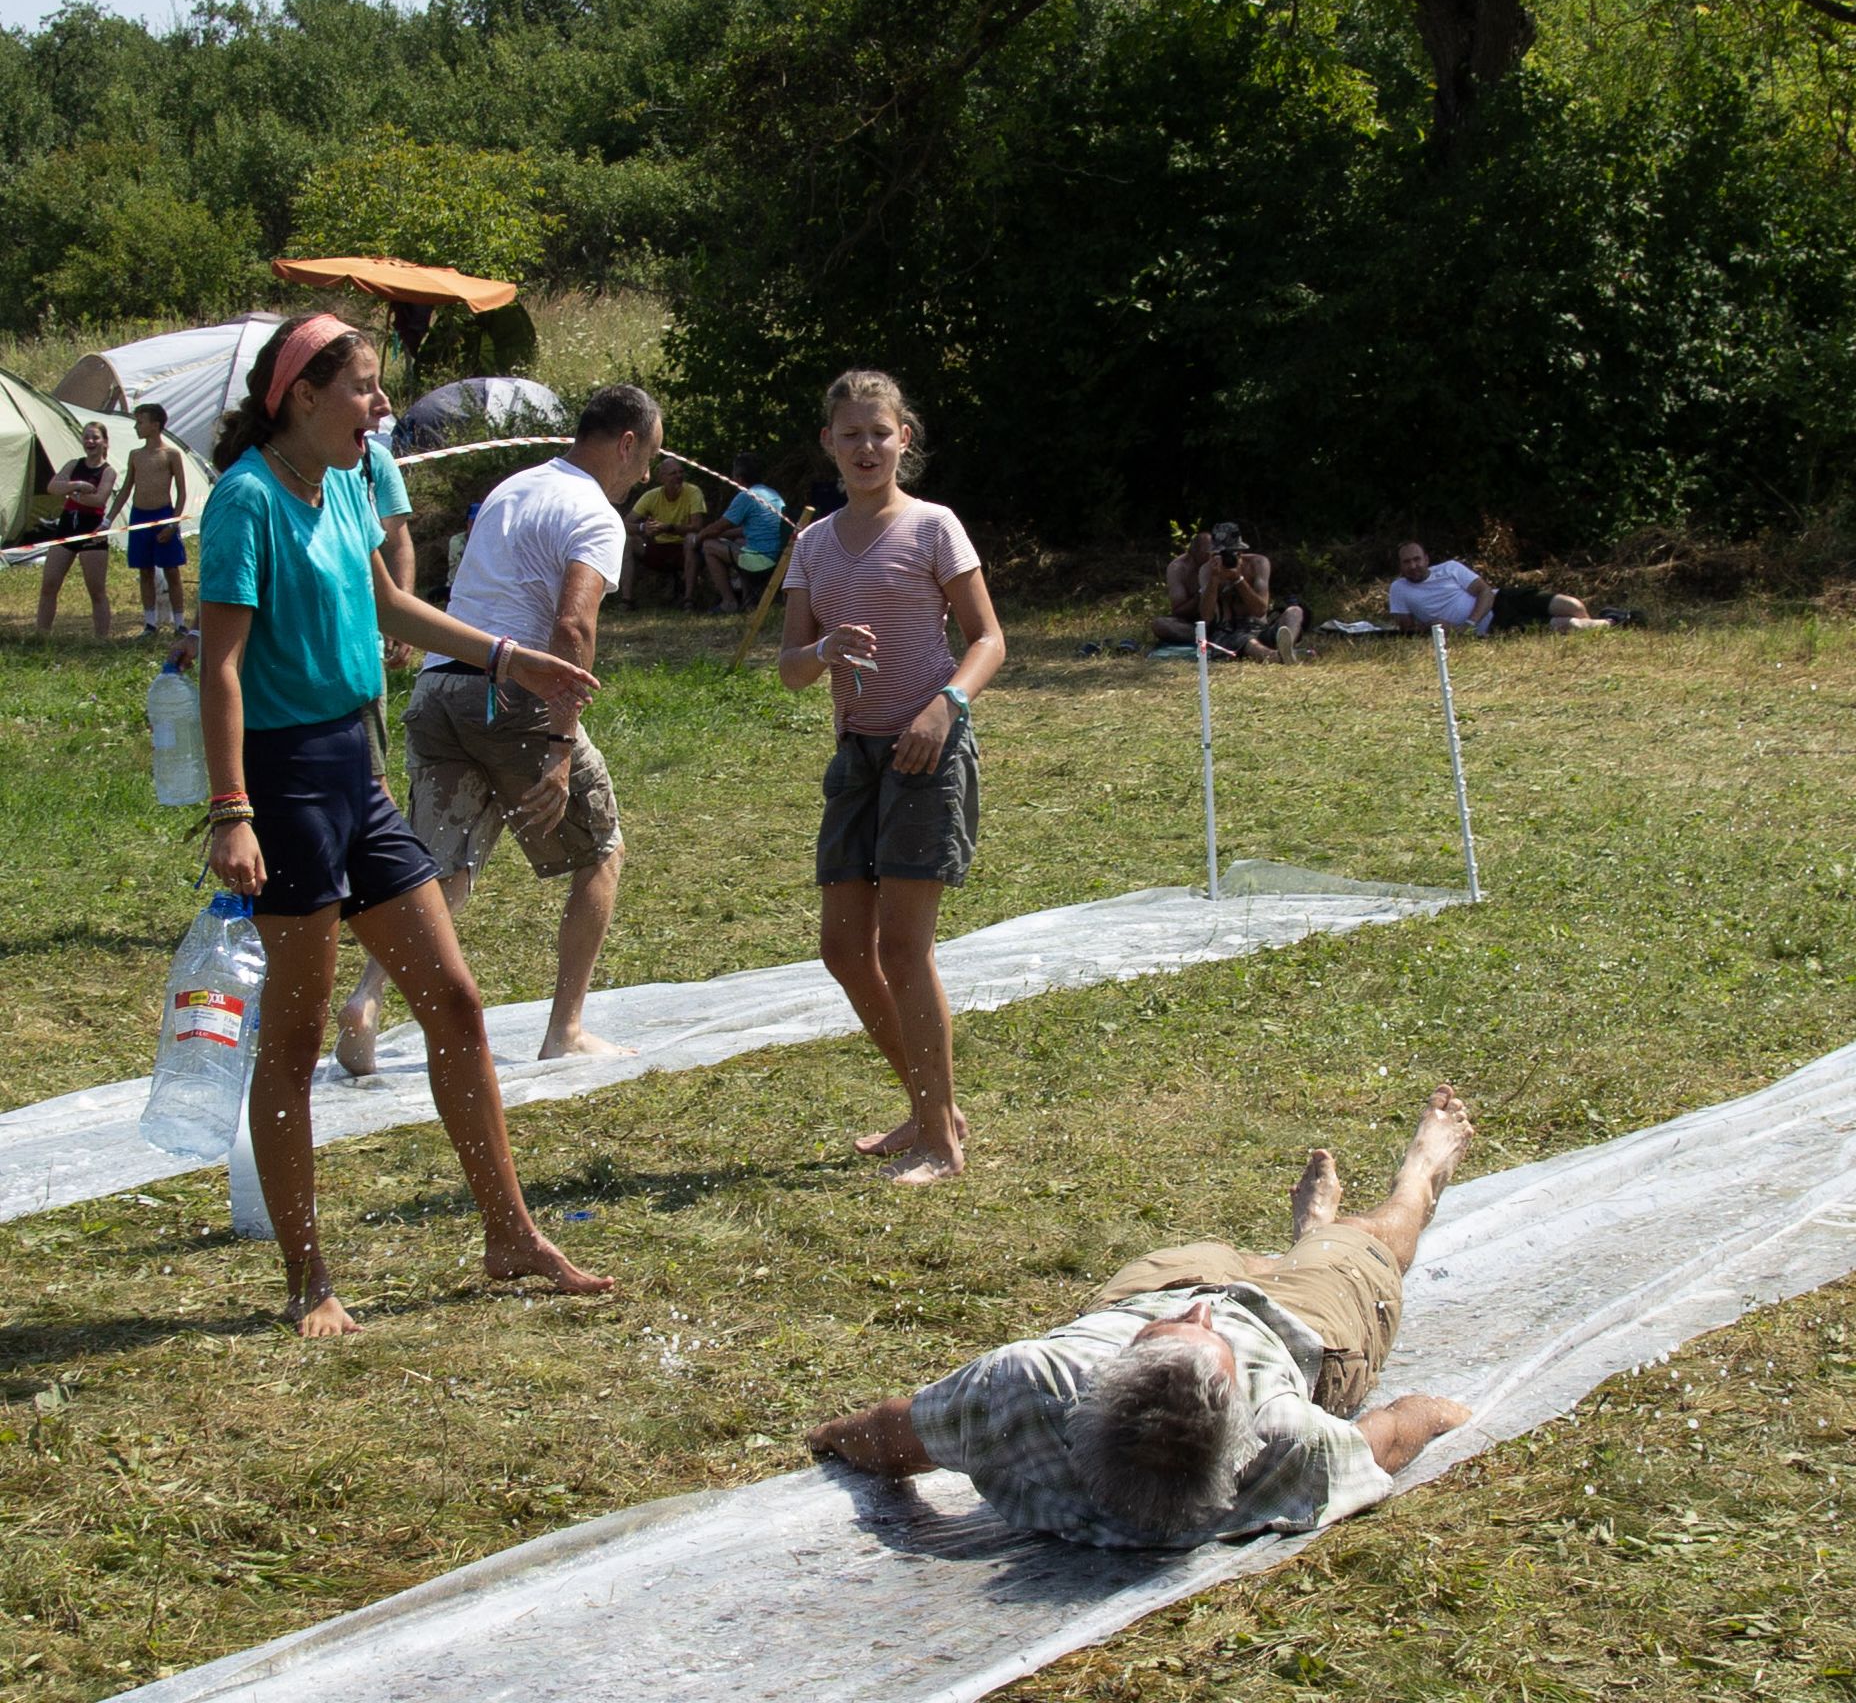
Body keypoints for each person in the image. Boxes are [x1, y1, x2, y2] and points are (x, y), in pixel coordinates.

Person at [192, 311, 611, 1337]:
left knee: (456, 1003)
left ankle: (510, 1232)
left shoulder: (338, 481)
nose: (382, 408)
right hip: (284, 786)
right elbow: (222, 666)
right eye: (366, 389)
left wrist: (507, 658)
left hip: (356, 768)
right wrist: (232, 809)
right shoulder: (246, 501)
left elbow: (386, 602)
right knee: (292, 1040)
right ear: (300, 396)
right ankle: (307, 1277)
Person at [807, 1085, 1481, 1548]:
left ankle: (1308, 1236)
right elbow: (1387, 1439)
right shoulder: (1287, 1439)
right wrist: (1444, 1414)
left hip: (1145, 1292)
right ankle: (1413, 1177)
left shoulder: (1028, 1385)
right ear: (1245, 1428)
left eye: (1173, 1333)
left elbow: (890, 1436)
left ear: (1098, 1381)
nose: (1203, 1313)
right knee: (1369, 1247)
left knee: (1248, 1259)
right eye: (1208, 1335)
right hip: (1300, 1334)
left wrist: (828, 1437)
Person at [333, 385, 663, 1078]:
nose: (645, 479)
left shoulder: (515, 486)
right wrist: (560, 747)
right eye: (647, 460)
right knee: (602, 849)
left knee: (436, 867)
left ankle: (365, 999)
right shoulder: (595, 513)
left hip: (439, 686)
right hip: (513, 695)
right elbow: (573, 627)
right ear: (627, 442)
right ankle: (566, 1029)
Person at [777, 369, 1008, 1183]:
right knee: (845, 950)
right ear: (829, 444)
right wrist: (820, 651)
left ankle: (943, 1143)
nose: (867, 447)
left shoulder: (934, 527)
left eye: (881, 432)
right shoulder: (812, 545)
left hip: (927, 749)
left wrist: (944, 707)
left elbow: (988, 639)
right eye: (851, 434)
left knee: (905, 948)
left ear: (903, 438)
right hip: (857, 757)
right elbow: (791, 669)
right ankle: (927, 1108)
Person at [1384, 541, 1613, 636]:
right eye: (1407, 562)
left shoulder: (1450, 568)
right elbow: (1407, 629)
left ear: (1426, 558)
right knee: (1567, 625)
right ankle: (1617, 622)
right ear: (1400, 566)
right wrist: (1437, 627)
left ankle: (1600, 625)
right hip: (1492, 625)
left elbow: (1484, 591)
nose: (1413, 566)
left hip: (1501, 599)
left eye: (1417, 559)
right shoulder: (1399, 589)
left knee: (1573, 606)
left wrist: (1468, 624)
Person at [1149, 524, 1302, 661]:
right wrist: (1214, 581)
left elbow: (1260, 610)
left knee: (1295, 612)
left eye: (1230, 553)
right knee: (1248, 641)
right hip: (1228, 632)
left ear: (1240, 552)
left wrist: (1239, 580)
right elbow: (1207, 616)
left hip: (1259, 627)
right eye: (1221, 554)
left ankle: (1287, 646)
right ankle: (1275, 657)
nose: (1226, 559)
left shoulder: (1258, 564)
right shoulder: (1207, 571)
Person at [110, 405, 196, 636]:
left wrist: (173, 524)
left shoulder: (171, 454)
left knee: (171, 570)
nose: (137, 426)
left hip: (163, 515)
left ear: (155, 425)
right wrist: (108, 518)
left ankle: (179, 623)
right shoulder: (136, 455)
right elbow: (126, 488)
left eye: (141, 422)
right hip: (140, 516)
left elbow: (182, 492)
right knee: (145, 570)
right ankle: (150, 623)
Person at [33, 422, 116, 638]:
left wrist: (70, 493)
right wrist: (77, 486)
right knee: (49, 584)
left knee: (96, 590)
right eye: (87, 437)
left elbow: (99, 500)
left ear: (104, 442)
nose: (90, 441)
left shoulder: (108, 471)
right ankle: (41, 635)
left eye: (95, 437)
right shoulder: (74, 465)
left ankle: (101, 640)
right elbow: (52, 487)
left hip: (91, 529)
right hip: (67, 525)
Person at [696, 454, 791, 614]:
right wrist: (726, 535)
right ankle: (749, 602)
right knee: (740, 541)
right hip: (777, 556)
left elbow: (716, 528)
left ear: (739, 478)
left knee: (709, 546)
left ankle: (729, 602)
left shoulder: (746, 496)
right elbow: (751, 529)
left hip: (760, 561)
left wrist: (698, 538)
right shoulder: (771, 494)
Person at [362, 423, 419, 666]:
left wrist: (404, 620)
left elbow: (398, 545)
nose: (383, 406)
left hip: (366, 652)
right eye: (362, 389)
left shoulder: (374, 460)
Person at [625, 457, 711, 610]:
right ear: (662, 478)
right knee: (628, 541)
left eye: (681, 472)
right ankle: (626, 600)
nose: (678, 476)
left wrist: (668, 528)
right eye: (673, 473)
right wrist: (643, 528)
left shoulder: (693, 492)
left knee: (691, 539)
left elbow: (698, 526)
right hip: (657, 548)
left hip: (684, 550)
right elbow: (624, 524)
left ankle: (688, 599)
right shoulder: (651, 496)